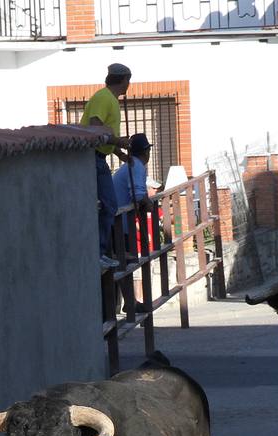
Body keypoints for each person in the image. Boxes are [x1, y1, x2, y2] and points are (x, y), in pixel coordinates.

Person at [81, 63, 134, 268]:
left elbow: (102, 133)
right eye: (128, 81)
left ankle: (100, 251)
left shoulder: (107, 99)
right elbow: (96, 128)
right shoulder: (104, 98)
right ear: (124, 81)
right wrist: (118, 142)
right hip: (93, 157)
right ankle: (99, 252)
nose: (129, 85)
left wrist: (118, 152)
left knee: (104, 205)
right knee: (109, 204)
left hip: (98, 156)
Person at [111, 133, 156, 314]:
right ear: (146, 152)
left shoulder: (132, 165)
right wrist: (148, 202)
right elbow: (137, 195)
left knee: (125, 263)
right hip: (120, 223)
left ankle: (130, 302)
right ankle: (130, 303)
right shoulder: (136, 166)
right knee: (126, 262)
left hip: (119, 222)